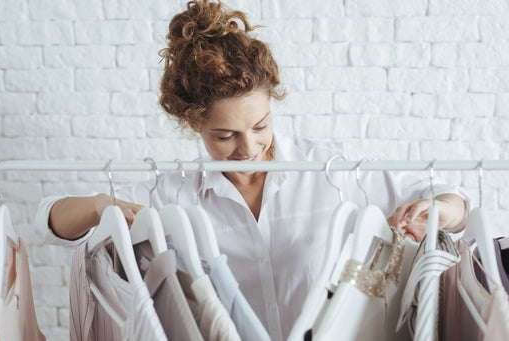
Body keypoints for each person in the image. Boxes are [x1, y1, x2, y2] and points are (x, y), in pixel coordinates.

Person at [34, 0, 469, 339]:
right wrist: (96, 206)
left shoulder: (332, 172)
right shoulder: (170, 192)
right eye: (225, 136)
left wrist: (442, 209)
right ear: (194, 123)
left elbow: (451, 199)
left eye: (260, 126)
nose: (249, 148)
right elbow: (48, 222)